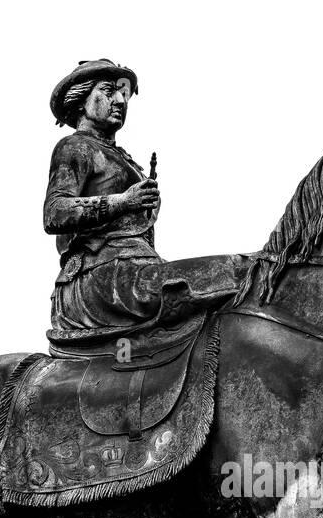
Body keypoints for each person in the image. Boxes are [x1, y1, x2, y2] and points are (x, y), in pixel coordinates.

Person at [44, 59, 242, 335]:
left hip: (135, 269)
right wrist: (123, 202)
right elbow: (55, 212)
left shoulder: (124, 159)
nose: (120, 100)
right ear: (81, 100)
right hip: (100, 277)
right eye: (108, 91)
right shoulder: (75, 146)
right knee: (235, 270)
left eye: (123, 94)